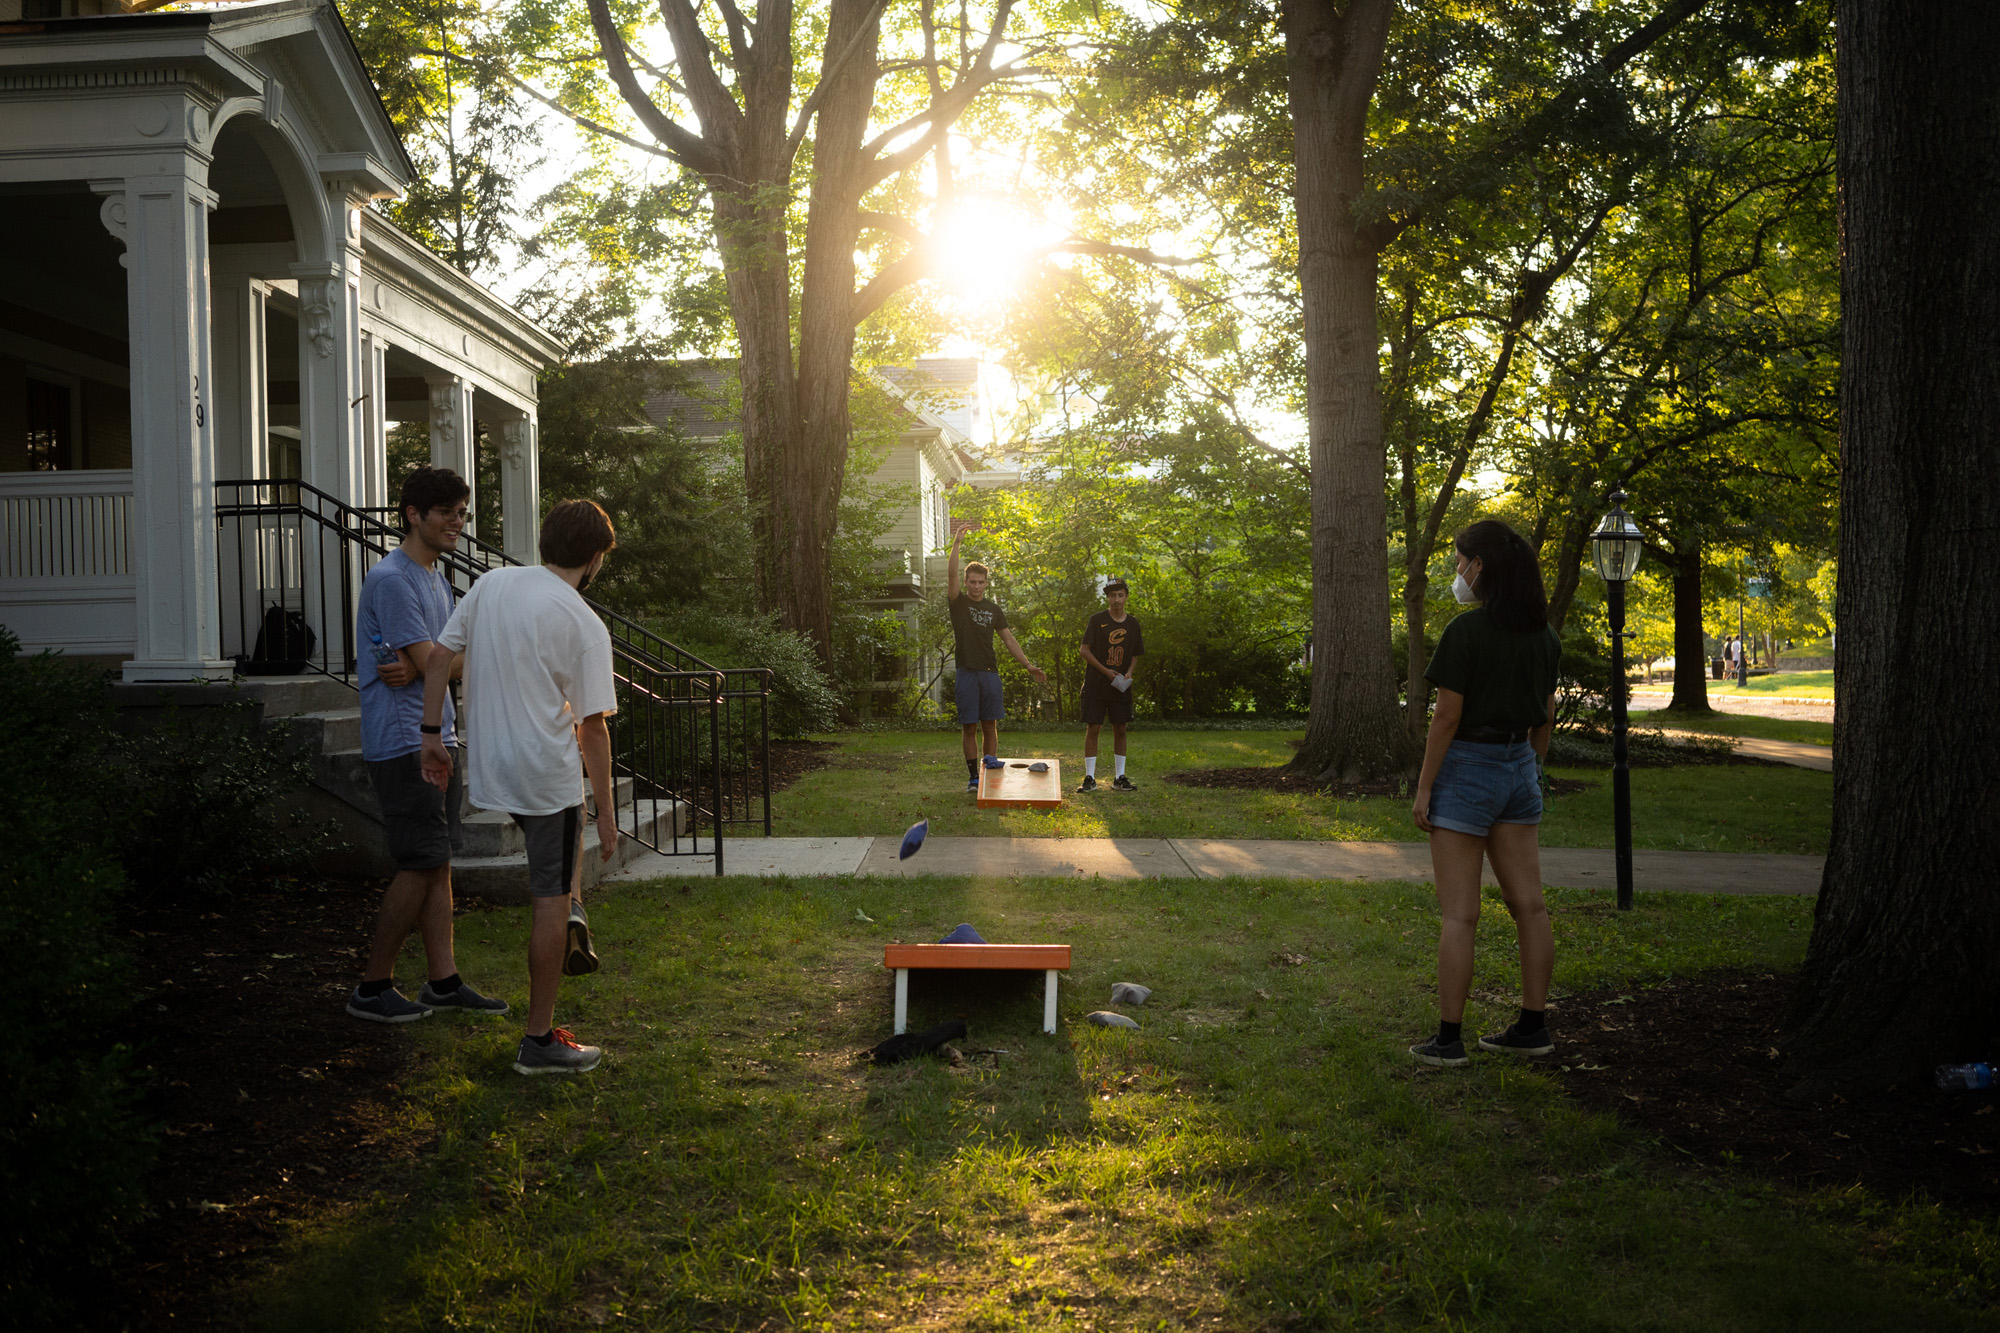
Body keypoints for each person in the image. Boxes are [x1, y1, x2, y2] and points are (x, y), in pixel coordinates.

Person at [419, 499, 621, 1075]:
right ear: (594, 558)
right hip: (543, 773)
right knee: (548, 900)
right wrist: (607, 812)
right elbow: (592, 727)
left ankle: (574, 903)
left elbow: (438, 659)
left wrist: (432, 736)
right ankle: (538, 1041)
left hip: (491, 765)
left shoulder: (493, 585)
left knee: (560, 864)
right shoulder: (584, 623)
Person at [345, 467, 508, 1024]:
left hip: (439, 735)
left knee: (437, 865)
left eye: (462, 512)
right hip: (406, 742)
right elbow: (432, 662)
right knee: (419, 862)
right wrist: (469, 658)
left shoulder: (435, 580)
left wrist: (435, 667)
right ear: (413, 514)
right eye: (446, 512)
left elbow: (434, 665)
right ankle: (372, 986)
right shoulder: (393, 580)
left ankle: (443, 981)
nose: (457, 523)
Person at [1409, 519, 1561, 1067]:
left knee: (1460, 915)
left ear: (1482, 568)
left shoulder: (1466, 633)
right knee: (1530, 905)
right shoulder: (1544, 635)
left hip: (1467, 767)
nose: (1456, 571)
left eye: (1459, 562)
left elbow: (1445, 718)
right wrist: (1530, 769)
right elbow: (1544, 715)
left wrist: (1425, 788)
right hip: (1519, 765)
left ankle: (1449, 1040)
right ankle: (1533, 1027)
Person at [946, 528, 1047, 793]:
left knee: (990, 725)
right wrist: (957, 543)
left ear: (986, 583)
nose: (976, 586)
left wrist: (1027, 665)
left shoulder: (993, 609)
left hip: (990, 673)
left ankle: (989, 770)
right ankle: (973, 778)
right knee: (969, 727)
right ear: (966, 582)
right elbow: (951, 574)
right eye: (972, 582)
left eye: (981, 582)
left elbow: (1009, 640)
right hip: (966, 671)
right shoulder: (958, 604)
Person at [1077, 578, 1143, 792]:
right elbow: (1084, 650)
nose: (1116, 599)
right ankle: (1089, 777)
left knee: (1120, 728)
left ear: (1126, 597)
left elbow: (1135, 654)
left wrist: (1130, 672)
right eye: (1112, 595)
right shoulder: (1097, 620)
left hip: (1120, 686)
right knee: (1094, 727)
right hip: (1096, 684)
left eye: (1120, 595)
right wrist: (1106, 672)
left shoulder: (1133, 624)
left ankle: (1120, 777)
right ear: (1107, 597)